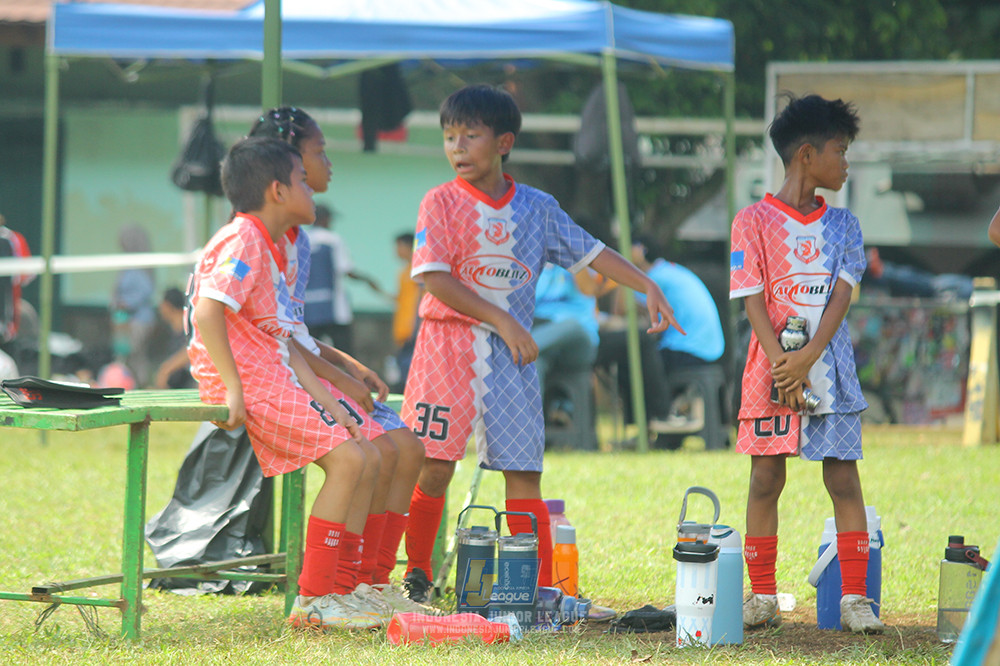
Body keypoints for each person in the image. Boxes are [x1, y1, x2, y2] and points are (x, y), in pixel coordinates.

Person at [400, 84, 682, 602]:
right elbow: (434, 279)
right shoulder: (438, 202)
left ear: (504, 142)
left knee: (523, 472)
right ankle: (416, 575)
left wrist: (646, 283)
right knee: (434, 466)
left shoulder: (537, 207)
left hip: (511, 358)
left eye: (470, 135)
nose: (457, 147)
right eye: (449, 136)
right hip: (445, 349)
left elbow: (592, 252)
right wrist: (504, 321)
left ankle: (542, 588)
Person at [188, 136, 391, 631]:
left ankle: (344, 589)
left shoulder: (271, 244)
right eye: (303, 179)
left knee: (364, 455)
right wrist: (231, 389)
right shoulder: (243, 238)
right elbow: (208, 310)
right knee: (349, 461)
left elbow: (283, 346)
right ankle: (315, 600)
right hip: (247, 381)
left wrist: (332, 403)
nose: (312, 188)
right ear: (278, 191)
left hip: (271, 374)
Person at [248, 107, 429, 611]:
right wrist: (337, 379)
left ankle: (370, 583)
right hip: (280, 378)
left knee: (408, 448)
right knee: (374, 453)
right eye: (318, 153)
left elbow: (293, 329)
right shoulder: (258, 239)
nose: (326, 164)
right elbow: (271, 341)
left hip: (307, 365)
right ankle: (338, 588)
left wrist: (345, 363)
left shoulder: (299, 240)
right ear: (285, 169)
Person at [729, 94, 883, 634]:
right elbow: (752, 298)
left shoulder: (845, 225)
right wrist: (782, 366)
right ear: (807, 155)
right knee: (764, 478)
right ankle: (762, 596)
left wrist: (808, 359)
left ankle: (855, 599)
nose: (846, 163)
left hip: (829, 370)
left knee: (842, 477)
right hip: (770, 371)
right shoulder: (750, 221)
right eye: (840, 150)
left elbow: (842, 297)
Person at [597, 237, 725, 443]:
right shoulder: (670, 271)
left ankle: (653, 423)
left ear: (641, 249)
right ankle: (658, 423)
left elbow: (621, 310)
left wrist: (623, 268)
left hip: (687, 348)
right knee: (640, 353)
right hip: (709, 348)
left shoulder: (654, 278)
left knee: (632, 359)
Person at [302, 202, 383, 356]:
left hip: (308, 309)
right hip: (335, 310)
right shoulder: (334, 240)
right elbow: (346, 269)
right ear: (325, 219)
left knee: (311, 354)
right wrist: (367, 279)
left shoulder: (303, 239)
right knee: (344, 353)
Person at [531, 263, 601, 427]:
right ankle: (530, 430)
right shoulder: (535, 266)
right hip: (545, 340)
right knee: (534, 361)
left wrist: (570, 257)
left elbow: (589, 289)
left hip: (578, 339)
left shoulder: (576, 261)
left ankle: (514, 348)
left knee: (570, 324)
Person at [111, 225, 157, 386]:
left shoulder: (140, 265)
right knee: (125, 355)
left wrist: (127, 303)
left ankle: (142, 384)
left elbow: (147, 290)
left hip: (139, 320)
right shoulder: (128, 263)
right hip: (124, 319)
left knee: (136, 354)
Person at [390, 231, 421, 391]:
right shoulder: (404, 272)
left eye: (399, 246)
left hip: (413, 329)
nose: (396, 251)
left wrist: (415, 326)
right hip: (402, 329)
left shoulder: (418, 272)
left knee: (410, 372)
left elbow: (419, 300)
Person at [152, 287, 194, 389]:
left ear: (168, 305)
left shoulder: (190, 329)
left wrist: (166, 370)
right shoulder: (171, 332)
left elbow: (191, 350)